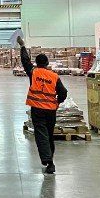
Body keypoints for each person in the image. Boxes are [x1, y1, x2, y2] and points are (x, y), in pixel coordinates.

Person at [20, 44, 68, 174]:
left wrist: (22, 47)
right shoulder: (54, 76)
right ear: (47, 63)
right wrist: (57, 102)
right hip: (51, 110)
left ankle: (49, 162)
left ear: (36, 63)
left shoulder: (33, 72)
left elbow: (25, 61)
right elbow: (63, 92)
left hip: (37, 109)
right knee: (49, 135)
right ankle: (49, 158)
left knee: (41, 135)